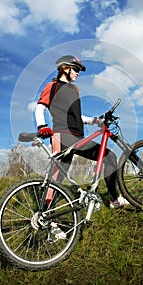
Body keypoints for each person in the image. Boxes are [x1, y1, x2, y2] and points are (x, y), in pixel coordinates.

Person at [35, 55, 129, 209]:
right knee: (57, 177)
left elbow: (77, 117)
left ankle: (114, 200)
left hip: (78, 138)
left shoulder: (73, 90)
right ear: (65, 68)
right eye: (76, 69)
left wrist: (95, 121)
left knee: (109, 156)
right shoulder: (52, 86)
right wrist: (42, 126)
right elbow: (40, 107)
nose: (78, 73)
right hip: (62, 136)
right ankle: (46, 217)